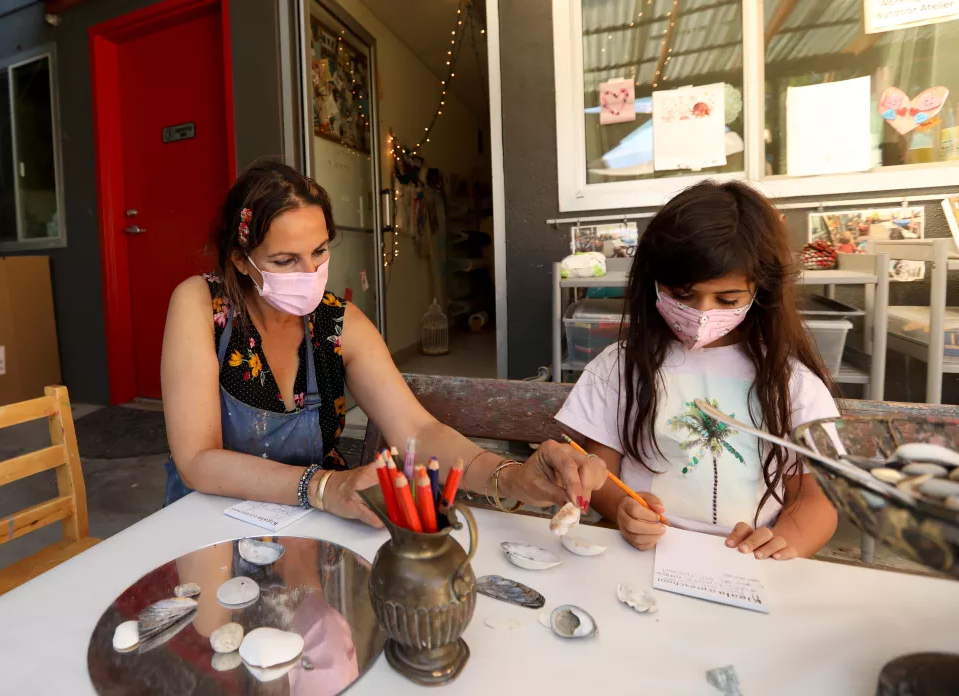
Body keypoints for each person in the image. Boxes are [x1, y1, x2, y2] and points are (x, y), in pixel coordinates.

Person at [162, 158, 607, 525]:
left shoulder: (338, 323)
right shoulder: (202, 307)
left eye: (319, 252)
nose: (309, 273)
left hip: (311, 523)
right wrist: (324, 485)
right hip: (208, 520)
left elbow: (417, 430)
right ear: (241, 260)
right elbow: (198, 458)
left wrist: (510, 478)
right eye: (284, 260)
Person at [557, 180, 839, 561]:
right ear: (653, 284)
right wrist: (621, 508)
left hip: (744, 563)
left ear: (761, 292)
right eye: (682, 295)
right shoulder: (619, 367)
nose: (703, 313)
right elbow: (600, 472)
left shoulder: (791, 383)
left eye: (728, 299)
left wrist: (784, 543)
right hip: (641, 556)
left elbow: (816, 496)